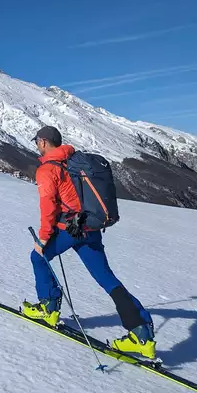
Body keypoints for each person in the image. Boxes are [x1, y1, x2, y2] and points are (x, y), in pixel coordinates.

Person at [22, 126, 157, 359]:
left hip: (69, 229)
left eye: (37, 141)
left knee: (39, 257)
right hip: (90, 228)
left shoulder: (47, 169)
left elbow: (48, 206)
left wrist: (44, 238)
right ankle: (141, 335)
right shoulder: (74, 160)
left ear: (44, 142)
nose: (36, 145)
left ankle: (48, 308)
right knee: (106, 278)